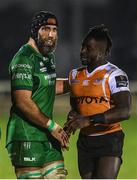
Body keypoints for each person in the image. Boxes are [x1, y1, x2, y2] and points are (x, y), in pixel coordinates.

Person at [6, 11, 69, 179]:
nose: (51, 35)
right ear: (35, 30)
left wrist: (77, 82)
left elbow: (46, 86)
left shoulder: (48, 57)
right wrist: (52, 126)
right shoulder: (24, 58)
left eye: (54, 29)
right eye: (45, 29)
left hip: (47, 137)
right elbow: (22, 101)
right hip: (26, 137)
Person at [64, 24, 131, 179]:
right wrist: (72, 120)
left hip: (109, 139)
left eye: (88, 48)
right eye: (82, 47)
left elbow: (124, 111)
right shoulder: (74, 75)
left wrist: (89, 120)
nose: (82, 51)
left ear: (103, 52)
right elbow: (76, 108)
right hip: (85, 142)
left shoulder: (114, 75)